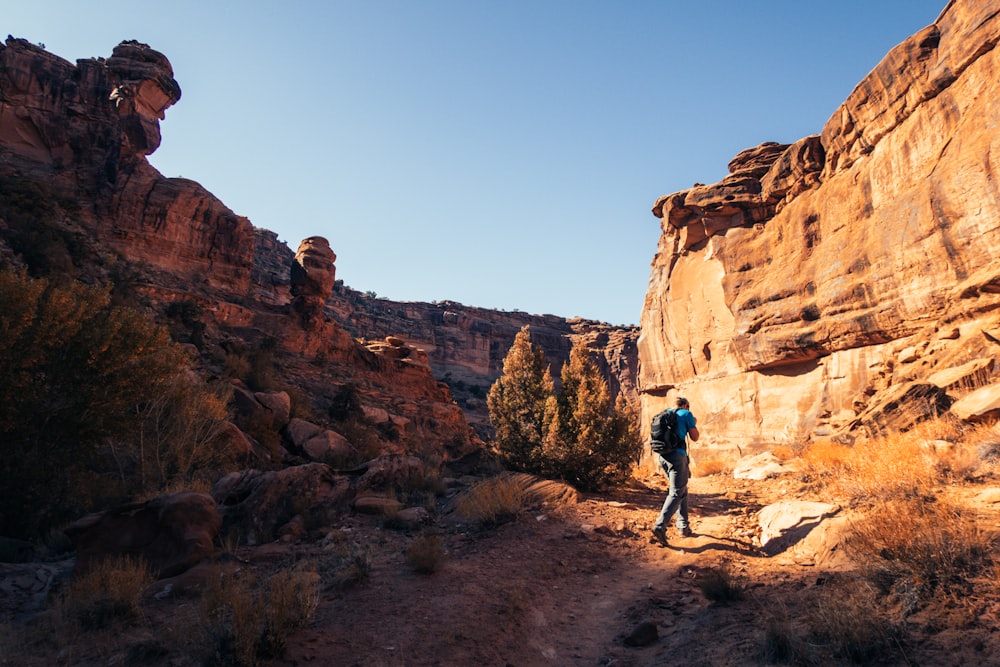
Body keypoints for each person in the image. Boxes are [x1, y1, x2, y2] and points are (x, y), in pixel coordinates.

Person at [651, 396, 699, 546]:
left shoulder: (664, 413)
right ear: (685, 405)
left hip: (663, 456)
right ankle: (660, 526)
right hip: (677, 456)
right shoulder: (686, 414)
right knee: (677, 491)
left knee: (681, 490)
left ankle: (683, 527)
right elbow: (695, 437)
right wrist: (693, 423)